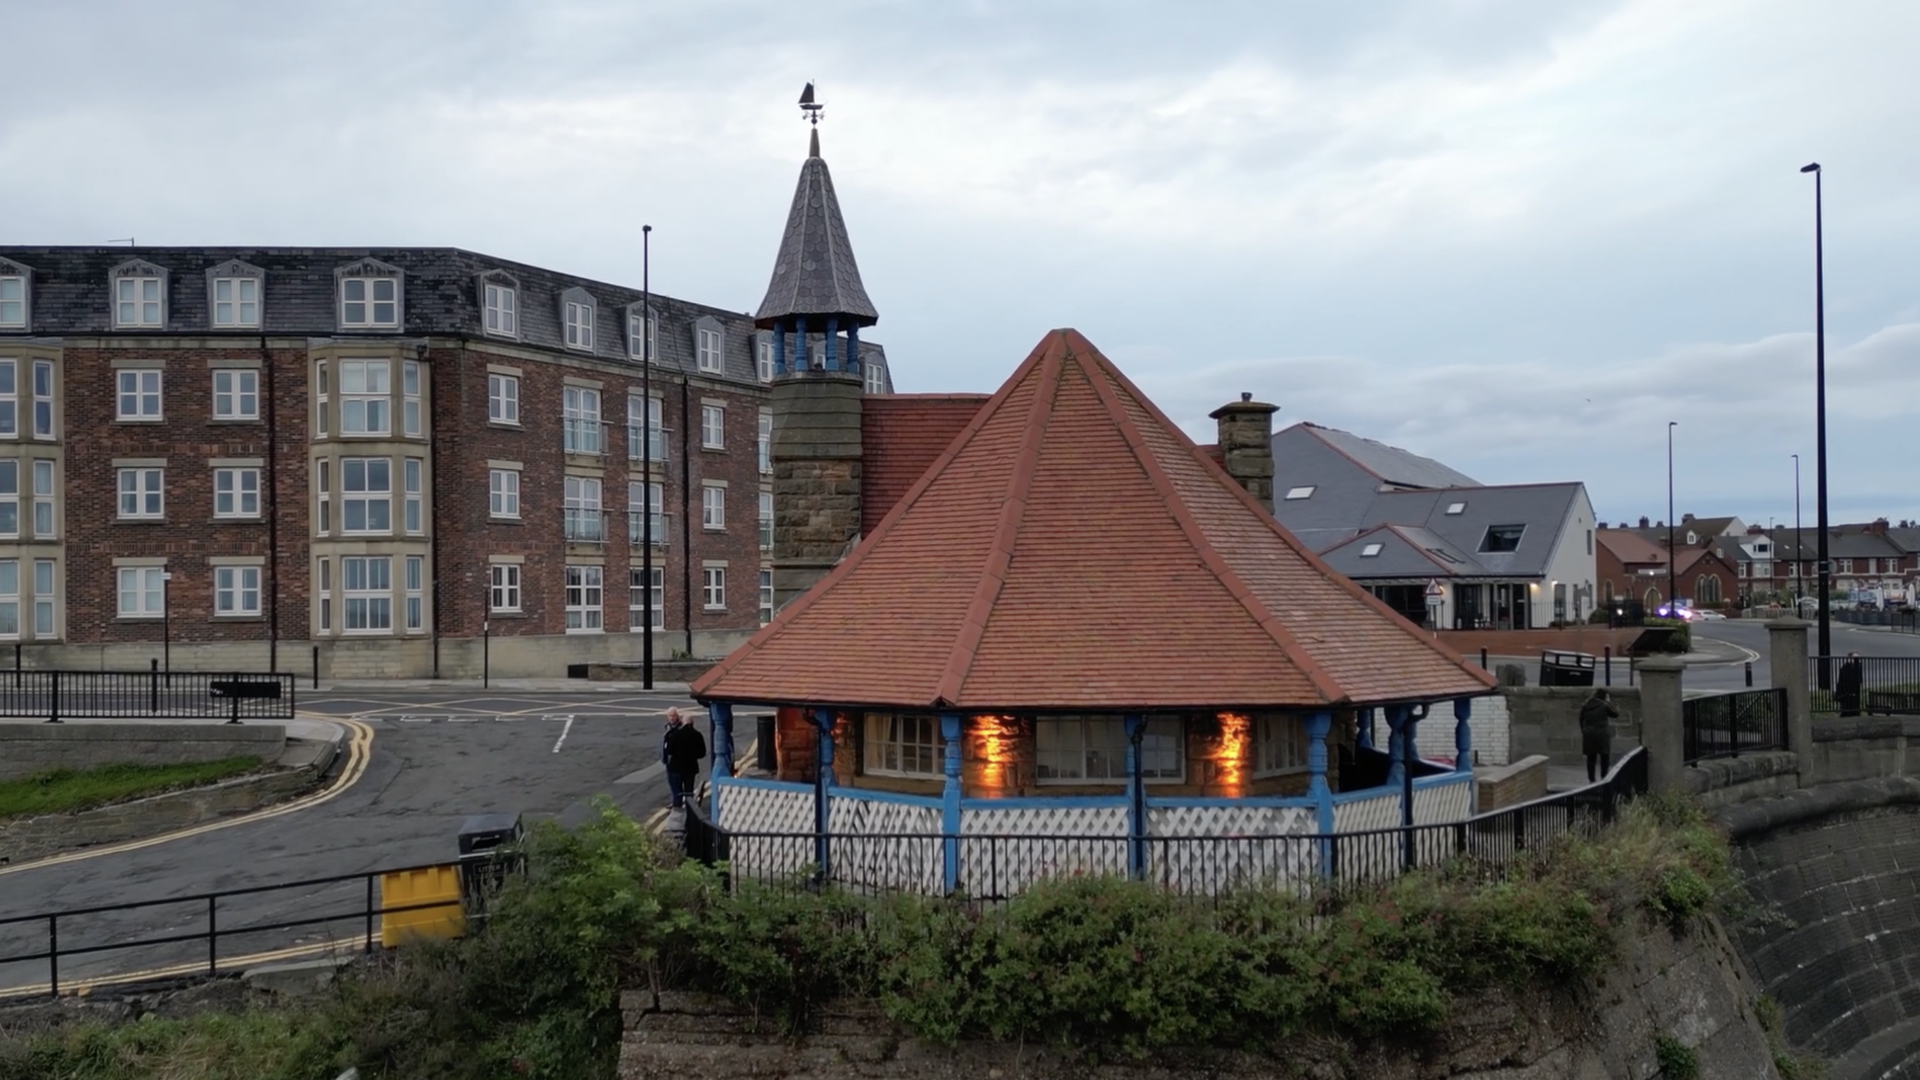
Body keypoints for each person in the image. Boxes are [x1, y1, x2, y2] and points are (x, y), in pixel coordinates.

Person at [661, 708, 707, 810]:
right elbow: (702, 753)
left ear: (682, 721)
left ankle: (677, 810)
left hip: (676, 767)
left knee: (677, 790)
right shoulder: (698, 735)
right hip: (691, 768)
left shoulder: (676, 734)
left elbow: (670, 750)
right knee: (688, 791)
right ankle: (690, 810)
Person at [1579, 688, 1619, 783]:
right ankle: (1604, 777)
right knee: (1604, 756)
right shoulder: (1604, 706)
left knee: (1591, 757)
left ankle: (1591, 779)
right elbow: (1615, 714)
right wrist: (1609, 702)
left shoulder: (1585, 706)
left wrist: (1584, 731)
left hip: (1589, 735)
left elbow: (1581, 720)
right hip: (1602, 734)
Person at [1837, 652, 1864, 718]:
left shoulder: (1857, 667)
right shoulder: (1845, 668)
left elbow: (1859, 679)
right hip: (1847, 691)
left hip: (1854, 690)